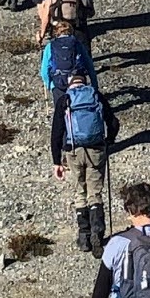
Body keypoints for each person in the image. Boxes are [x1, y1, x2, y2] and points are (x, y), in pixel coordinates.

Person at [51, 70, 120, 252]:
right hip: (96, 148)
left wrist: (56, 161)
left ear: (69, 82)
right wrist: (109, 141)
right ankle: (98, 231)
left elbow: (56, 132)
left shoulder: (65, 100)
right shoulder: (95, 96)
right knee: (95, 191)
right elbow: (113, 122)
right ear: (84, 81)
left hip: (73, 151)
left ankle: (84, 236)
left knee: (79, 191)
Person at [40, 19, 96, 98]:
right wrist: (94, 85)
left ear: (56, 33)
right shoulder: (77, 44)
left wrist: (51, 86)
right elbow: (89, 65)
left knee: (61, 109)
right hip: (77, 81)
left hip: (59, 84)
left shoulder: (50, 46)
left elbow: (44, 71)